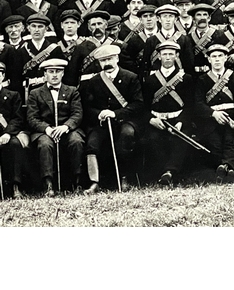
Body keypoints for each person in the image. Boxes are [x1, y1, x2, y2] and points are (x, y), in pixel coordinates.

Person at [81, 44, 144, 193]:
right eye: (103, 61)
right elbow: (87, 107)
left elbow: (138, 104)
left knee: (126, 136)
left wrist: (116, 113)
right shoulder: (94, 81)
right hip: (102, 123)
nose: (107, 63)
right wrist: (99, 113)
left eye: (109, 59)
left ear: (117, 58)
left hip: (125, 120)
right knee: (92, 143)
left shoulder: (130, 77)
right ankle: (94, 182)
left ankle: (124, 178)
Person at [27, 58, 85, 196]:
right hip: (45, 131)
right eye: (50, 72)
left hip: (67, 129)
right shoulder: (35, 93)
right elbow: (32, 117)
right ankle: (48, 185)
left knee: (77, 141)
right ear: (45, 75)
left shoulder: (72, 91)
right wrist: (47, 129)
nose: (54, 75)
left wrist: (65, 127)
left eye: (58, 72)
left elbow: (77, 114)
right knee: (45, 144)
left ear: (63, 74)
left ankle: (77, 183)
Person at [142, 40, 195, 185]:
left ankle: (170, 172)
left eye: (171, 54)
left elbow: (190, 106)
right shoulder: (150, 80)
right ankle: (162, 172)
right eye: (164, 54)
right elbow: (144, 106)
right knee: (153, 139)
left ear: (177, 56)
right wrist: (151, 119)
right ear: (158, 56)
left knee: (181, 139)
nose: (167, 57)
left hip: (178, 119)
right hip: (157, 120)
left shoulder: (186, 79)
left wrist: (181, 121)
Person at [194, 44, 234, 180]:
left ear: (225, 58)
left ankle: (225, 168)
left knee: (230, 140)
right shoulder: (202, 79)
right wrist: (213, 114)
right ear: (209, 59)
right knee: (215, 144)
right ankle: (228, 168)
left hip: (231, 117)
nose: (217, 59)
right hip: (210, 119)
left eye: (220, 56)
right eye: (214, 56)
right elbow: (198, 104)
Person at [0, 62, 26, 199]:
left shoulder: (13, 95)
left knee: (15, 145)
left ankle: (16, 187)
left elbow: (18, 119)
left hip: (7, 134)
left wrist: (7, 133)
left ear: (2, 76)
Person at [186, 3, 218, 76]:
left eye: (205, 15)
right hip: (194, 77)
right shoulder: (187, 38)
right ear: (193, 19)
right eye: (198, 15)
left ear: (209, 18)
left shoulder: (219, 35)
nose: (202, 18)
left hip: (213, 76)